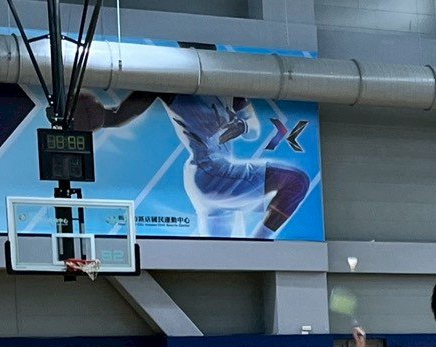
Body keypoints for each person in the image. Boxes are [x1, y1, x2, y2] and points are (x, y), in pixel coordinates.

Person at [73, 91, 309, 239]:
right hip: (213, 172)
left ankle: (256, 251)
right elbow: (115, 117)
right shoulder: (174, 80)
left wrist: (243, 126)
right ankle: (261, 247)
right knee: (296, 181)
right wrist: (76, 113)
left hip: (210, 179)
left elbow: (253, 131)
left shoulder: (233, 86)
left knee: (226, 260)